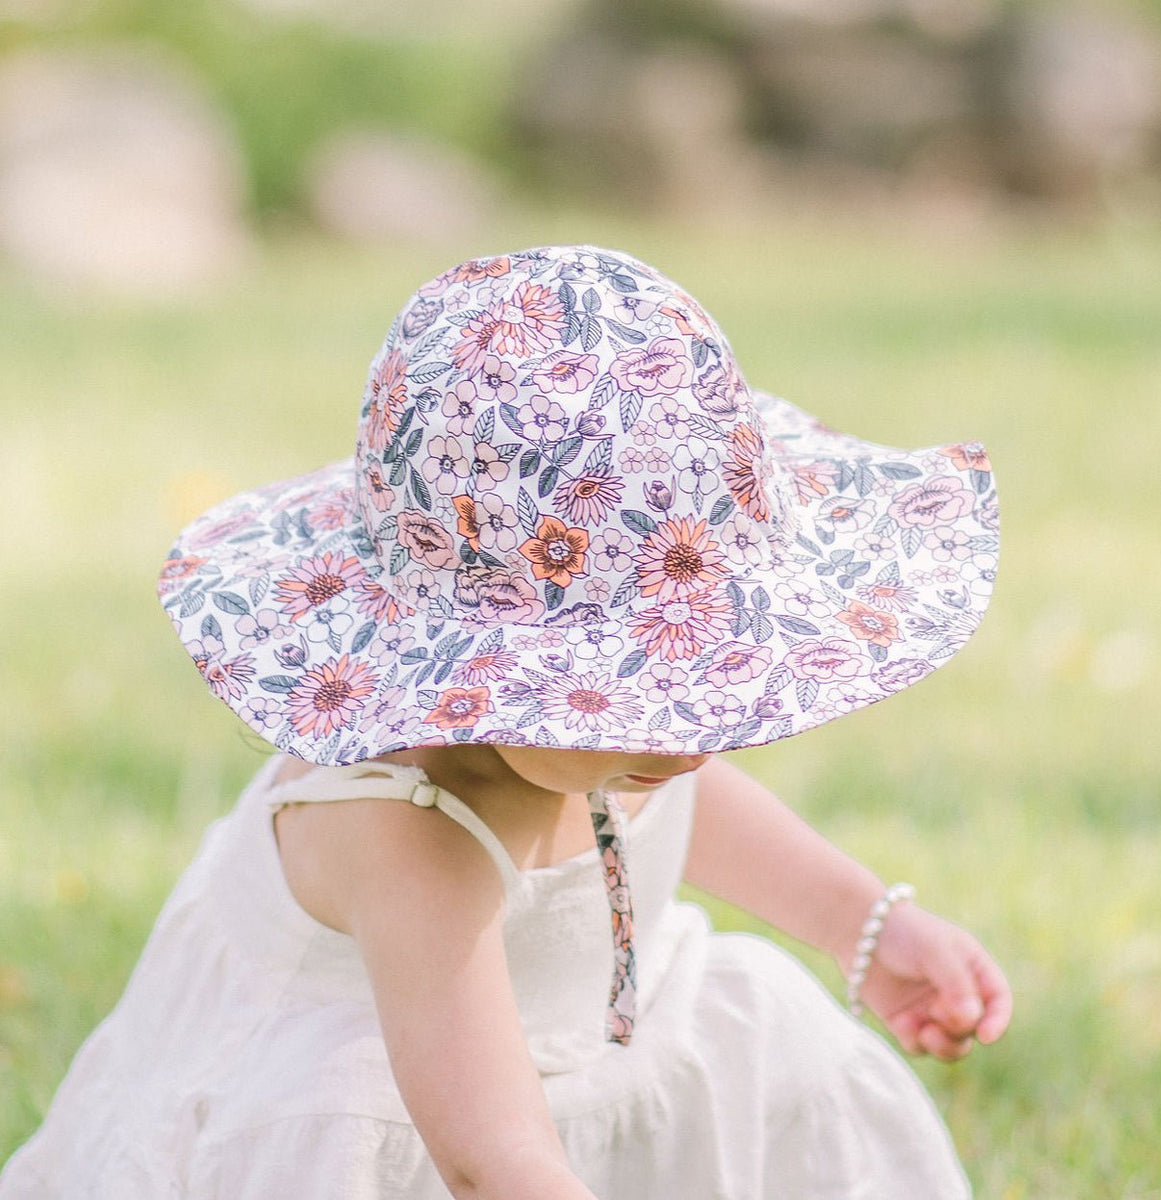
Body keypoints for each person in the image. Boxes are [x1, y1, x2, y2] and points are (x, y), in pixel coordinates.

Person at [0, 245, 1010, 1199]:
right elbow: (495, 1160)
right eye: (638, 700)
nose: (692, 742)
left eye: (703, 688)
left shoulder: (607, 753)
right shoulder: (404, 832)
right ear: (480, 679)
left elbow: (693, 807)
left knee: (763, 1024)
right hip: (404, 1132)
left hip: (582, 1055)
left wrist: (864, 926)